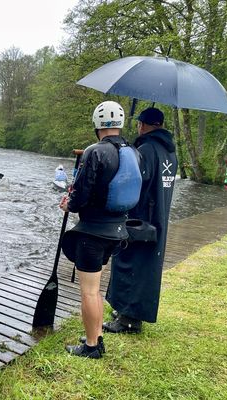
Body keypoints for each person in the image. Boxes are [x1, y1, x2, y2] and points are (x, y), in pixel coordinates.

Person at [60, 100, 141, 359]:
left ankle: (92, 347)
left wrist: (68, 204)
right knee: (95, 287)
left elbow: (81, 194)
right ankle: (97, 337)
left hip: (93, 233)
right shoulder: (134, 152)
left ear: (98, 124)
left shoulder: (95, 151)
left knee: (90, 291)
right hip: (117, 231)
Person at [104, 107, 178, 334]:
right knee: (147, 268)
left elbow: (135, 184)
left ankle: (128, 320)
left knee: (131, 263)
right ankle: (128, 311)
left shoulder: (146, 148)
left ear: (143, 125)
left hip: (141, 219)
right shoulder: (170, 152)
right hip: (159, 218)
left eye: (138, 124)